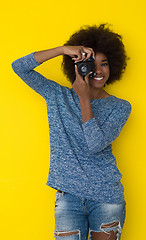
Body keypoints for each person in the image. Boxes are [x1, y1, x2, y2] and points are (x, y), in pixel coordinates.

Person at [11, 23, 132, 240]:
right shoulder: (57, 96)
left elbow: (95, 144)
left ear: (113, 66)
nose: (98, 71)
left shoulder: (120, 107)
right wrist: (62, 50)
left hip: (106, 197)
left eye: (104, 64)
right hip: (69, 199)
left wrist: (84, 98)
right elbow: (18, 66)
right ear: (77, 67)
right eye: (91, 65)